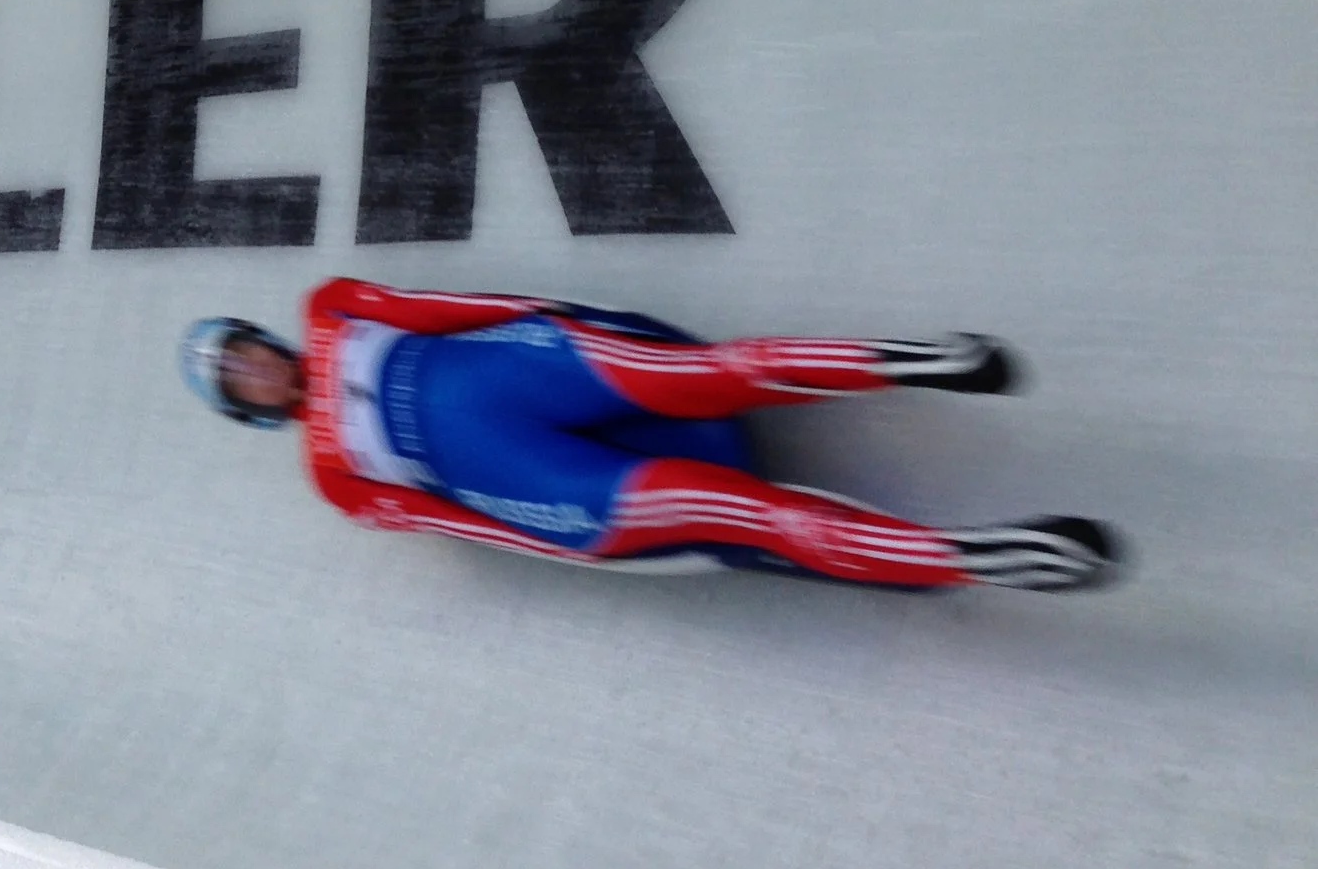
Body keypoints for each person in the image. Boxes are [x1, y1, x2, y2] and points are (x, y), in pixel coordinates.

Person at [180, 278, 1119, 591]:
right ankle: (977, 556)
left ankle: (911, 358)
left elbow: (467, 308)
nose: (256, 370)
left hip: (520, 364)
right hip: (526, 472)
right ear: (250, 409)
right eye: (239, 382)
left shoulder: (336, 307)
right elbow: (466, 522)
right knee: (737, 512)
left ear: (260, 337)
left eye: (243, 352)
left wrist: (580, 321)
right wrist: (579, 544)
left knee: (710, 369)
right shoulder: (334, 477)